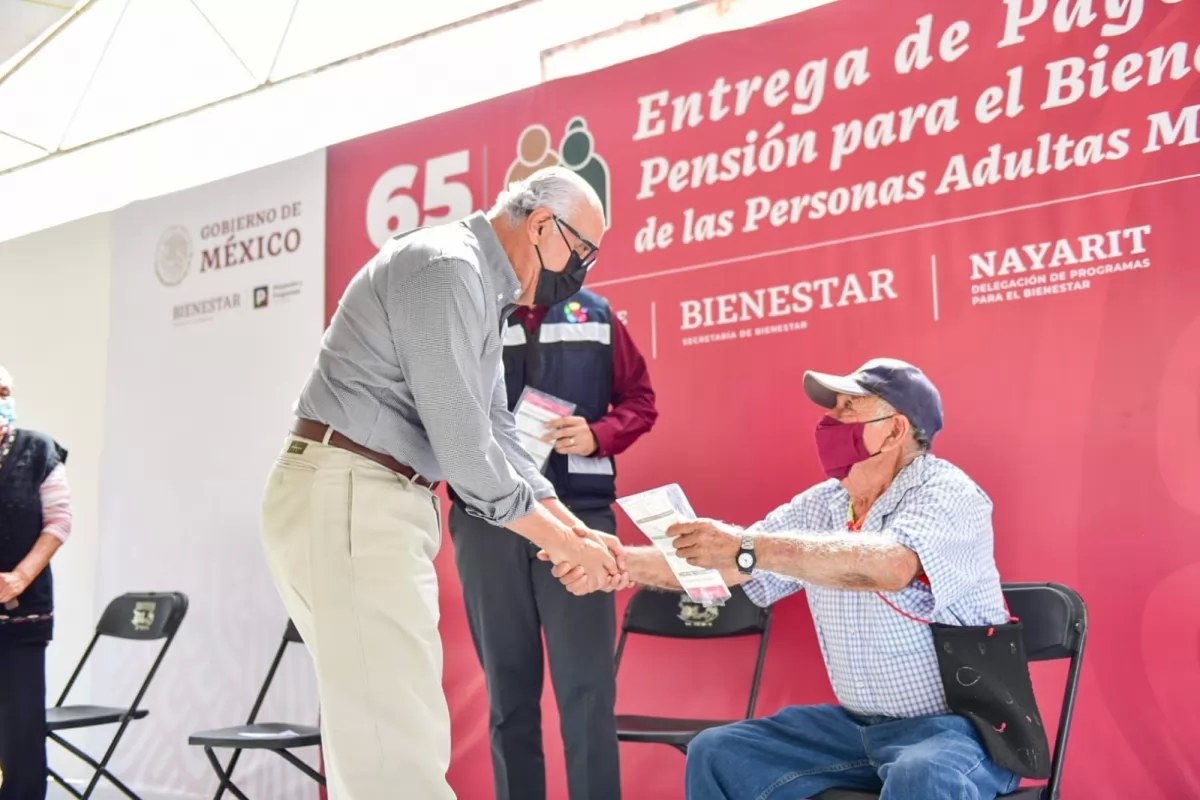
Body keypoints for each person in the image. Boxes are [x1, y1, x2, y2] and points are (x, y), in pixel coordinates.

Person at [260, 167, 626, 800]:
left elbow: (498, 431)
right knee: (396, 753)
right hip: (353, 493)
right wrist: (567, 546)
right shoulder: (449, 269)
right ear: (542, 225)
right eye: (583, 251)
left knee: (380, 744)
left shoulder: (480, 285)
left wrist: (577, 530)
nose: (582, 271)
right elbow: (465, 452)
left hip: (365, 497)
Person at [548, 358, 1021, 800]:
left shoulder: (948, 493)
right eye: (832, 409)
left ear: (896, 429)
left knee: (922, 772)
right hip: (857, 728)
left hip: (963, 729)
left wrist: (749, 547)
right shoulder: (823, 503)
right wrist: (616, 561)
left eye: (849, 408)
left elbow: (892, 565)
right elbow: (727, 564)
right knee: (717, 752)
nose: (830, 421)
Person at [450, 286, 657, 800]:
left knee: (588, 694)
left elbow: (641, 401)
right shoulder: (476, 313)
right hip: (488, 518)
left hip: (581, 516)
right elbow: (443, 407)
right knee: (507, 693)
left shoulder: (597, 314)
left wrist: (599, 434)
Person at [0, 365, 72, 800]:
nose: (1, 400)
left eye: (3, 391)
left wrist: (19, 578)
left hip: (21, 618)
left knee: (20, 735)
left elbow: (59, 522)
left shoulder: (38, 449)